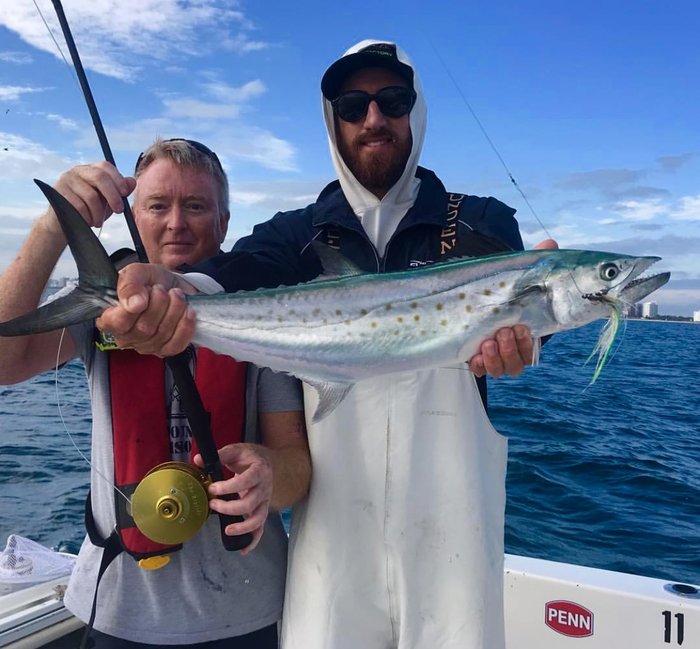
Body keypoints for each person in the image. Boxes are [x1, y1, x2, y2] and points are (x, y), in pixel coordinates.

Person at [94, 42, 558, 649]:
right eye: (352, 105)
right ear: (331, 118)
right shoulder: (294, 235)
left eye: (393, 101)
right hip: (334, 538)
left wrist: (527, 346)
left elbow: (514, 326)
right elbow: (223, 280)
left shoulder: (483, 223)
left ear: (415, 112)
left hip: (455, 526)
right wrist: (160, 289)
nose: (373, 119)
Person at [0, 138, 311, 648]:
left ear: (224, 222)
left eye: (195, 206)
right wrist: (54, 224)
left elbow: (296, 464)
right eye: (157, 205)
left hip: (250, 610)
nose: (176, 223)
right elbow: (4, 361)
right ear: (134, 216)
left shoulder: (261, 310)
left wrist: (270, 473)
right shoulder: (99, 301)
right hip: (118, 605)